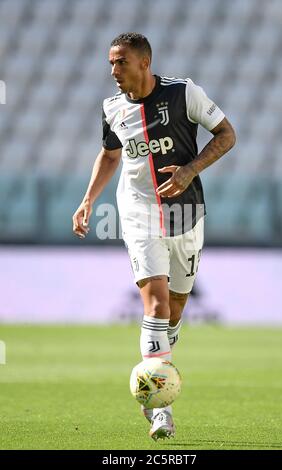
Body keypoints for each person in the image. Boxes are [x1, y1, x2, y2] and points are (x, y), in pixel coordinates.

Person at [73, 32, 236, 440]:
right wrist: (89, 199)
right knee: (158, 304)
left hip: (186, 215)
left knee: (176, 309)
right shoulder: (112, 108)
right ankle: (158, 408)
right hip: (138, 214)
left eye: (120, 62)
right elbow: (110, 154)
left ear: (144, 63)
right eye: (110, 63)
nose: (113, 71)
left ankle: (159, 358)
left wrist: (190, 170)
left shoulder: (184, 93)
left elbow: (227, 135)